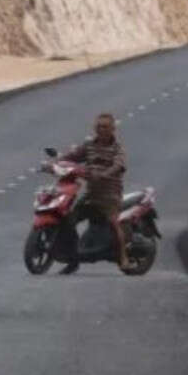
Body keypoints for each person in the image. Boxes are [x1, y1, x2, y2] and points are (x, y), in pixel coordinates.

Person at [60, 112, 132, 272]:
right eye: (98, 126)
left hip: (110, 195)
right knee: (69, 221)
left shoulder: (117, 148)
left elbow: (118, 165)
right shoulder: (89, 145)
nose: (101, 130)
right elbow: (73, 156)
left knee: (114, 223)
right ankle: (73, 260)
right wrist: (56, 162)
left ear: (113, 129)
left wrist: (105, 174)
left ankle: (124, 258)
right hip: (91, 194)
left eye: (105, 127)